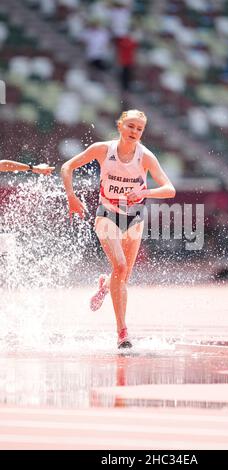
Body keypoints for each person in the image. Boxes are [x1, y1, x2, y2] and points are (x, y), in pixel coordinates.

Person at [61, 109, 176, 349]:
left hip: (134, 218)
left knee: (122, 276)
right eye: (131, 126)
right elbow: (67, 167)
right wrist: (71, 197)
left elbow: (170, 189)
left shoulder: (145, 157)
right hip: (107, 214)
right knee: (120, 266)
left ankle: (105, 285)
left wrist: (145, 191)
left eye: (139, 129)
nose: (134, 132)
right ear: (120, 126)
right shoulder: (103, 150)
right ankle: (122, 333)